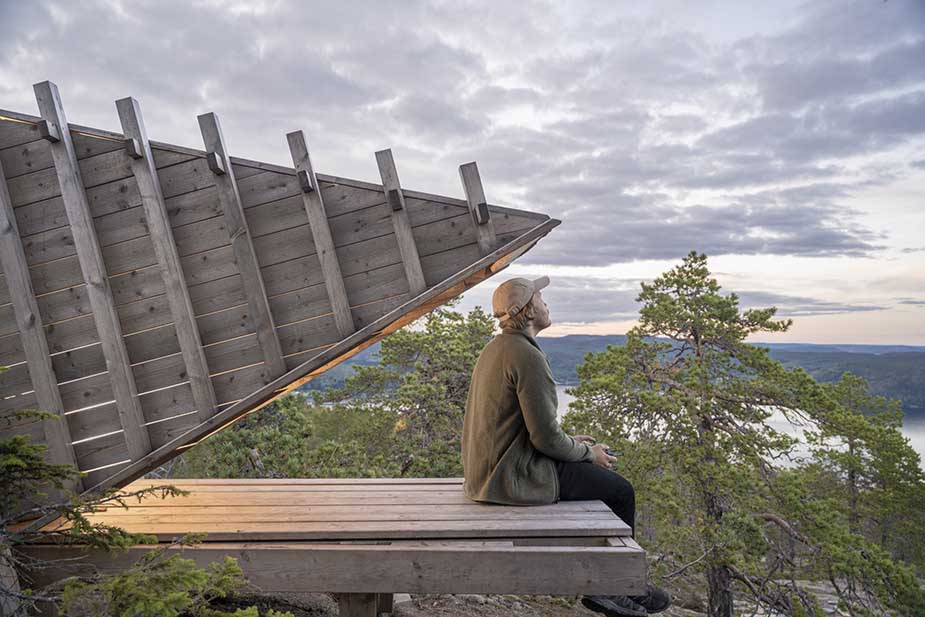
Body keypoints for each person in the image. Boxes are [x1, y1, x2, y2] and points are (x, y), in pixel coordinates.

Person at [461, 276, 670, 617]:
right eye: (541, 297)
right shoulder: (527, 357)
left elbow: (530, 429)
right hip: (512, 479)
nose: (547, 303)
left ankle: (619, 584)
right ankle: (615, 587)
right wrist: (589, 453)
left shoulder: (496, 348)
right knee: (620, 491)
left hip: (490, 473)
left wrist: (573, 443)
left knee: (594, 473)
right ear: (528, 311)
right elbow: (544, 439)